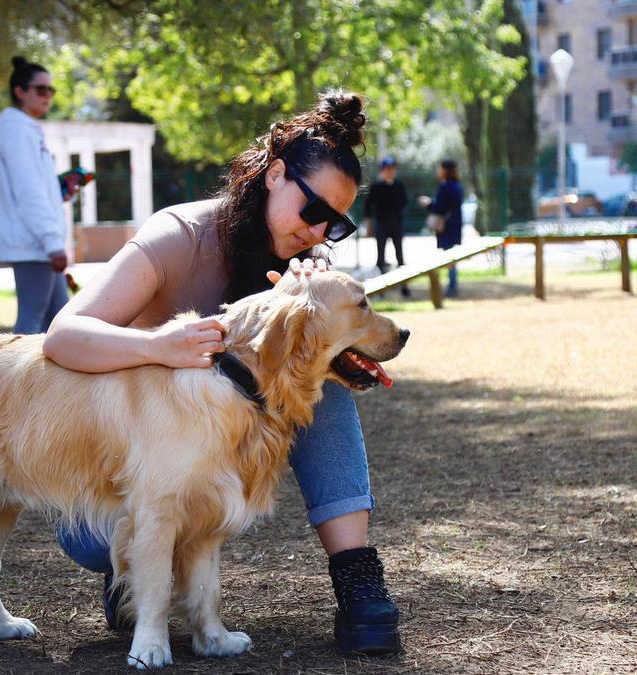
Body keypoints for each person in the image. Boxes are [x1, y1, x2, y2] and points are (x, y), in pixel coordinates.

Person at [41, 90, 401, 655]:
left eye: (336, 225)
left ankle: (357, 577)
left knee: (315, 374)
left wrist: (308, 320)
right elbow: (62, 337)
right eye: (313, 212)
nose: (318, 234)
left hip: (222, 454)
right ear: (275, 175)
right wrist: (156, 344)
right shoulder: (178, 236)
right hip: (129, 460)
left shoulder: (304, 269)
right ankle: (130, 570)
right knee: (97, 540)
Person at [0, 56, 72, 334]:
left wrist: (61, 192)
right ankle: (12, 379)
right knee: (31, 327)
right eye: (41, 90)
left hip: (37, 241)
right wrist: (52, 242)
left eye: (51, 90)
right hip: (33, 242)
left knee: (59, 323)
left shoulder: (24, 130)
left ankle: (47, 380)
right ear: (20, 91)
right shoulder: (17, 131)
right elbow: (28, 192)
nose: (48, 96)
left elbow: (35, 188)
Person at [419, 159, 465, 297]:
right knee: (452, 255)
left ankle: (452, 286)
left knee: (449, 256)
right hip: (455, 224)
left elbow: (440, 207)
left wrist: (428, 204)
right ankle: (452, 284)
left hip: (447, 226)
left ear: (445, 170)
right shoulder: (457, 185)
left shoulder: (445, 187)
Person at [363, 157, 409, 286]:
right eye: (387, 169)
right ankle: (380, 287)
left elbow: (404, 203)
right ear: (382, 170)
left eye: (392, 169)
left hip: (396, 225)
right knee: (380, 257)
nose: (390, 171)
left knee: (400, 256)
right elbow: (368, 207)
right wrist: (369, 227)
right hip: (382, 224)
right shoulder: (376, 186)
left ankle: (404, 286)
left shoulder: (399, 185)